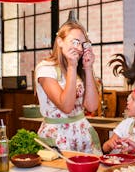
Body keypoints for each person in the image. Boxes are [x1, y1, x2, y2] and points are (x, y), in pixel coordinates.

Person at [35, 18, 102, 155]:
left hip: (82, 134)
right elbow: (66, 106)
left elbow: (92, 106)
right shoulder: (45, 69)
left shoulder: (79, 69)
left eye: (82, 44)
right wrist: (72, 66)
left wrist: (88, 68)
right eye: (75, 42)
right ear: (60, 41)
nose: (78, 48)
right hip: (57, 137)